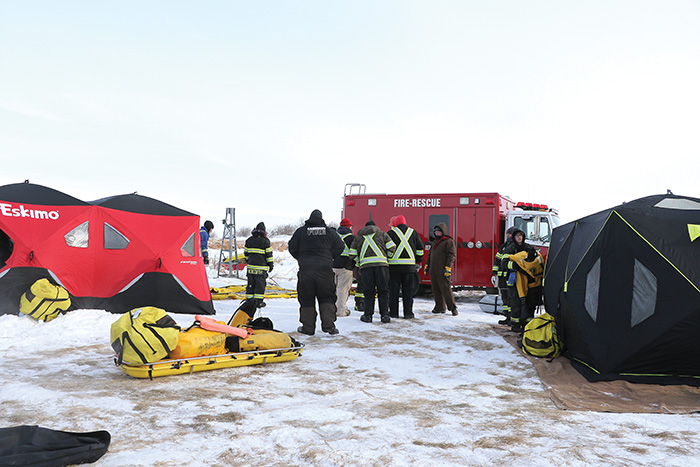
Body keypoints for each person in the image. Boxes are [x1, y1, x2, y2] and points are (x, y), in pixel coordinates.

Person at [288, 209, 345, 336]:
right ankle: (329, 326)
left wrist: (301, 258)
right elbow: (340, 246)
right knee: (327, 297)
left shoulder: (301, 232)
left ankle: (308, 328)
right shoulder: (330, 232)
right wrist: (329, 257)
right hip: (324, 270)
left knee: (306, 298)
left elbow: (292, 247)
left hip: (306, 271)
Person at [349, 220, 396, 323]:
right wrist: (387, 258)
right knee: (383, 291)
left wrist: (360, 262)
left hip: (366, 268)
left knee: (369, 292)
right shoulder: (383, 234)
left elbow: (352, 254)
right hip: (382, 267)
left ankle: (368, 316)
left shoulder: (358, 237)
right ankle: (384, 316)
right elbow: (392, 247)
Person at [501, 228, 540, 332]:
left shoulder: (528, 248)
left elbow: (536, 262)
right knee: (515, 302)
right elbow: (504, 263)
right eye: (517, 235)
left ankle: (527, 324)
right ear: (514, 237)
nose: (519, 237)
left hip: (528, 280)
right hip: (514, 279)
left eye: (521, 235)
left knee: (530, 302)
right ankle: (515, 324)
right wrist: (513, 265)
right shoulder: (510, 249)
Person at [387, 215, 424, 319]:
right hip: (409, 268)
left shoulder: (390, 233)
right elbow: (420, 249)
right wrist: (418, 261)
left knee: (394, 291)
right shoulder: (413, 232)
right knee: (408, 291)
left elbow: (387, 249)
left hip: (394, 267)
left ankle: (393, 313)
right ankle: (408, 313)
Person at [425, 223, 458, 315]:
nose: (437, 233)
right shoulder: (435, 242)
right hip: (433, 270)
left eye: (439, 232)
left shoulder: (448, 242)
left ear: (443, 232)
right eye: (435, 232)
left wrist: (448, 267)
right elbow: (430, 255)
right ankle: (439, 307)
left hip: (442, 269)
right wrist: (427, 265)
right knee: (436, 289)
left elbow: (451, 255)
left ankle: (453, 308)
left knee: (446, 288)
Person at [244, 222, 274, 308]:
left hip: (250, 268)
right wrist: (271, 265)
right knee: (259, 286)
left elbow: (246, 254)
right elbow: (269, 255)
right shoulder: (266, 241)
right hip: (261, 269)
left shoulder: (249, 240)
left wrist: (248, 261)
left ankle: (249, 301)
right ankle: (258, 302)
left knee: (250, 285)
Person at [493, 226, 516, 325]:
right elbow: (497, 260)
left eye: (509, 234)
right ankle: (507, 316)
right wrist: (494, 273)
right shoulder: (503, 246)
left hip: (510, 276)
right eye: (507, 234)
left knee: (512, 297)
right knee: (504, 297)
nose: (507, 236)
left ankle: (512, 318)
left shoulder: (516, 247)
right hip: (502, 277)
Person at [333, 218, 355, 317]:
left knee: (332, 289)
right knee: (342, 289)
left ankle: (330, 310)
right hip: (346, 267)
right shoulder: (352, 238)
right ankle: (341, 311)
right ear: (349, 227)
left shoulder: (333, 237)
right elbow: (355, 253)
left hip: (332, 266)